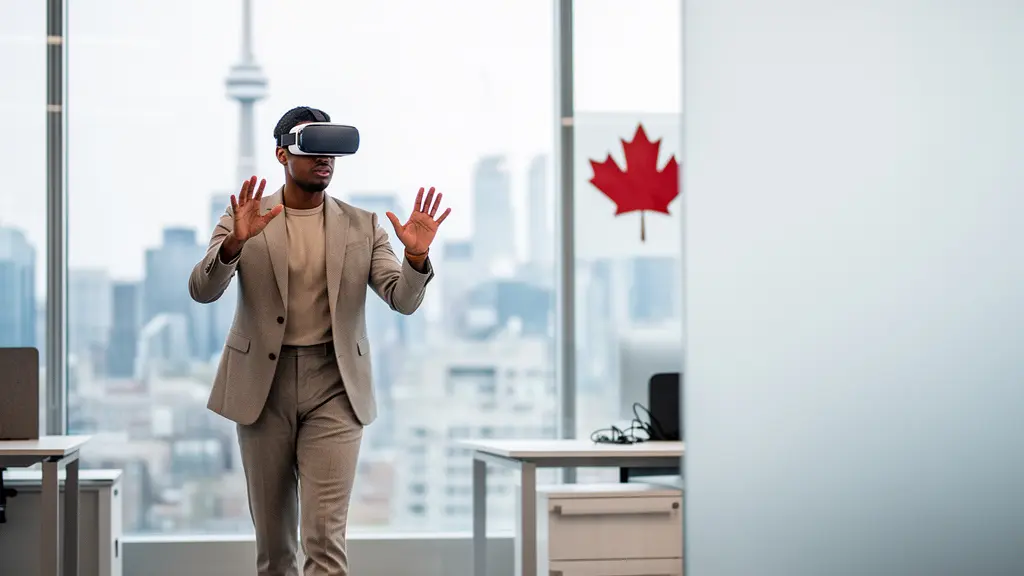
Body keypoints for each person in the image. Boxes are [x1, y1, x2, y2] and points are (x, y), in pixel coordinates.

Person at [188, 106, 450, 576]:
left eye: (332, 148)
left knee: (325, 544)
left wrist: (416, 257)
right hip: (261, 388)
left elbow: (402, 300)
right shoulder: (245, 215)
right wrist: (233, 245)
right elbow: (202, 290)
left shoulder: (362, 225)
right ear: (282, 153)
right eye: (312, 147)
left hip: (335, 385)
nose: (324, 157)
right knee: (274, 550)